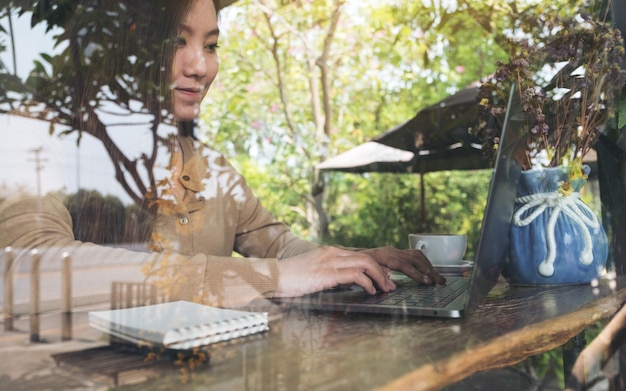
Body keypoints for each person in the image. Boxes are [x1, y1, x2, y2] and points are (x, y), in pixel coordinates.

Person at [0, 0, 444, 308]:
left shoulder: (211, 167)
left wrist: (353, 259)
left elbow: (280, 246)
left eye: (211, 45)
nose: (200, 66)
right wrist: (266, 279)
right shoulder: (39, 140)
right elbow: (29, 270)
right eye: (177, 41)